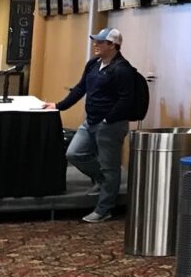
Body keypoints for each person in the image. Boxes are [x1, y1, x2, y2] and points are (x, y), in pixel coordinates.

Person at [41, 28, 135, 223]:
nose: (96, 45)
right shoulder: (93, 64)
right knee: (74, 154)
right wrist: (59, 106)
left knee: (111, 168)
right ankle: (102, 181)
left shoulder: (122, 69)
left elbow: (127, 99)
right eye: (96, 41)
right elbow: (81, 87)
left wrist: (109, 119)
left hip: (110, 125)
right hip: (91, 120)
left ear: (112, 45)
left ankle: (104, 209)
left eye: (100, 42)